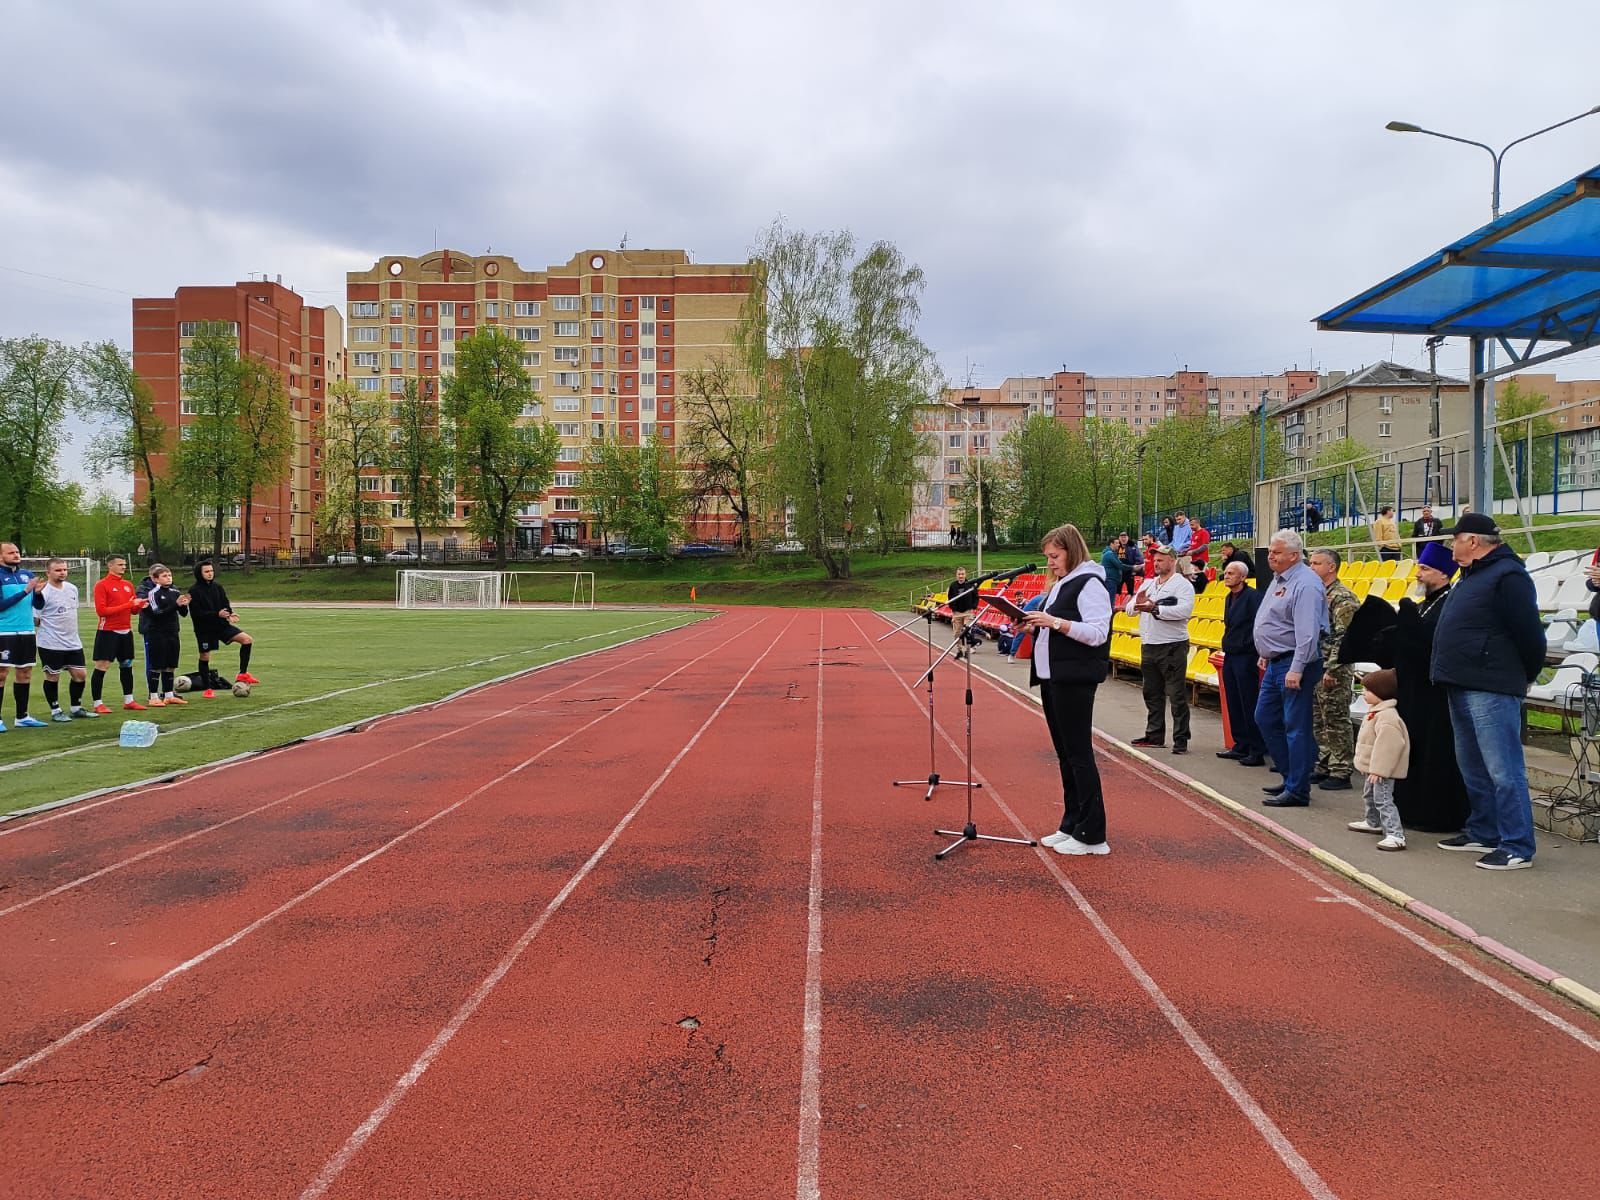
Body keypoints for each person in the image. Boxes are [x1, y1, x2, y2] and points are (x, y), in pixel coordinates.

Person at [1429, 513, 1545, 870]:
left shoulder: (1508, 576)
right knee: (1473, 765)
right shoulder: (1471, 576)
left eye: (1455, 539)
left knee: (1503, 769)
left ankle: (1517, 844)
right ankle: (1483, 830)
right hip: (1462, 680)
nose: (1451, 546)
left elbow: (1529, 632)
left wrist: (1527, 674)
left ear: (1474, 541)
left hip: (1491, 684)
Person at [1022, 523, 1112, 856]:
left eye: (1055, 556)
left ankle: (1093, 833)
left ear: (1071, 551)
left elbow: (1097, 632)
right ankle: (1072, 822)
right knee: (1065, 755)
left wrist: (1055, 622)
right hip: (1053, 678)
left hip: (1074, 678)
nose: (1050, 563)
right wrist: (1035, 625)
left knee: (1079, 755)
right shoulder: (1062, 585)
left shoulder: (1089, 584)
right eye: (1047, 557)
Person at [1389, 541, 1469, 832]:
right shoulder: (1425, 605)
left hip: (1435, 693)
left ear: (1444, 574)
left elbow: (1434, 641)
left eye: (1425, 568)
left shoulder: (1450, 603)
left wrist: (1409, 622)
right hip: (1412, 690)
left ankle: (1437, 814)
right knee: (1413, 749)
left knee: (1435, 751)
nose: (1418, 574)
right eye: (1418, 567)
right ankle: (1410, 808)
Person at [1252, 529, 1326, 807]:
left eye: (1277, 552)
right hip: (1276, 661)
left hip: (1295, 662)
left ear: (1294, 556)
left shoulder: (1305, 583)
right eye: (1271, 550)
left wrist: (1296, 667)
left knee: (1296, 726)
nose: (1270, 555)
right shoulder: (1279, 578)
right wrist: (1266, 652)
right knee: (1265, 718)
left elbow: (1307, 633)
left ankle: (1298, 789)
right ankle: (1290, 776)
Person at [1126, 544, 1196, 754]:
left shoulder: (1182, 585)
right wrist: (1138, 603)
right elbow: (1130, 609)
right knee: (1151, 692)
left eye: (1161, 560)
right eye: (1155, 560)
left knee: (1176, 694)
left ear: (1172, 561)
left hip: (1172, 645)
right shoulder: (1148, 583)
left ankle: (1181, 738)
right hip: (1149, 644)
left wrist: (1155, 608)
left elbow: (1184, 611)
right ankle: (1154, 734)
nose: (1156, 563)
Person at [1308, 548, 1359, 791]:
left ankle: (1341, 770)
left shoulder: (1342, 597)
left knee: (1336, 719)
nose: (1312, 567)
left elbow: (1345, 636)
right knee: (1319, 719)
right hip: (1317, 664)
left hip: (1334, 667)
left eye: (1317, 563)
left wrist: (1332, 668)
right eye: (1310, 563)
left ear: (1332, 567)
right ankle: (1324, 763)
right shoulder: (1318, 594)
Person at [1347, 668, 1410, 851]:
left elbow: (1388, 747)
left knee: (1383, 799)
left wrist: (1379, 770)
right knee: (1369, 795)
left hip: (1381, 770)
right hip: (1372, 768)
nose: (1364, 694)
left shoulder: (1387, 717)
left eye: (1368, 691)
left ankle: (1395, 834)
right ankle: (1372, 821)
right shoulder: (1376, 712)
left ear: (1381, 693)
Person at [1216, 561, 1266, 766]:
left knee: (1248, 701)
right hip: (1231, 654)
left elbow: (1259, 624)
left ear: (1242, 577)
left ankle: (1256, 748)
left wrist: (1249, 646)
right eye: (1226, 572)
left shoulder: (1253, 597)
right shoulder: (1229, 597)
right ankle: (1240, 743)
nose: (1226, 576)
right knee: (1234, 700)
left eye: (1231, 573)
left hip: (1246, 655)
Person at [33, 558, 95, 721]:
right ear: (48, 572)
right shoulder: (42, 592)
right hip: (50, 642)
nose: (62, 573)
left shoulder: (72, 589)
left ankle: (76, 708)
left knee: (80, 675)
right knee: (53, 676)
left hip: (72, 641)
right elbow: (35, 619)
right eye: (58, 570)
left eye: (64, 570)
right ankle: (55, 710)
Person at [187, 559, 257, 695]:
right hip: (205, 629)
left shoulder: (217, 587)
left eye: (211, 571)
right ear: (199, 574)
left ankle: (242, 674)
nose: (210, 574)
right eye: (206, 571)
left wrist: (229, 613)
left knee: (247, 640)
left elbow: (225, 603)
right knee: (205, 656)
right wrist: (216, 614)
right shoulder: (194, 591)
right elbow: (197, 614)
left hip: (221, 625)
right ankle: (207, 689)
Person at [91, 553, 148, 713]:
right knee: (102, 666)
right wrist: (128, 605)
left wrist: (140, 606)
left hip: (126, 631)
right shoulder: (102, 585)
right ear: (110, 566)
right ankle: (97, 703)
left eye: (124, 564)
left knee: (127, 664)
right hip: (108, 631)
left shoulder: (128, 585)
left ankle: (129, 700)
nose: (123, 567)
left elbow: (133, 610)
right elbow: (102, 611)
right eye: (120, 564)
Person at [0, 542, 49, 730]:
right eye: (10, 552)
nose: (16, 554)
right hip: (4, 631)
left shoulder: (27, 575)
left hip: (27, 630)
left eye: (17, 551)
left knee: (25, 672)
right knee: (2, 673)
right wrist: (25, 591)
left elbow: (37, 605)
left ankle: (22, 717)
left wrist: (36, 594)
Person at [137, 564, 190, 707]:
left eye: (170, 575)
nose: (168, 578)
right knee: (157, 665)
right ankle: (153, 696)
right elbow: (157, 613)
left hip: (172, 631)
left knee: (170, 665)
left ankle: (169, 695)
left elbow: (183, 614)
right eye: (165, 576)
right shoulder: (153, 593)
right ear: (156, 579)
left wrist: (184, 605)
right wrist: (175, 605)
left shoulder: (174, 591)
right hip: (157, 632)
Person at [947, 566, 979, 660]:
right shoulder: (953, 585)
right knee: (957, 633)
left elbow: (976, 596)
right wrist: (953, 608)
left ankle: (967, 651)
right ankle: (960, 650)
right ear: (956, 575)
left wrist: (973, 606)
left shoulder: (970, 585)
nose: (961, 576)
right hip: (957, 612)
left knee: (966, 631)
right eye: (959, 574)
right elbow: (950, 598)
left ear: (965, 575)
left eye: (962, 574)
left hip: (967, 612)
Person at [1099, 536, 1124, 602]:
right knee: (1110, 601)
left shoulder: (1108, 552)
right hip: (1110, 580)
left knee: (1109, 600)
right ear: (1111, 544)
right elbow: (1120, 565)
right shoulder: (1110, 554)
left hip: (1110, 580)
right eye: (1117, 543)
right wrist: (1133, 568)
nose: (1119, 544)